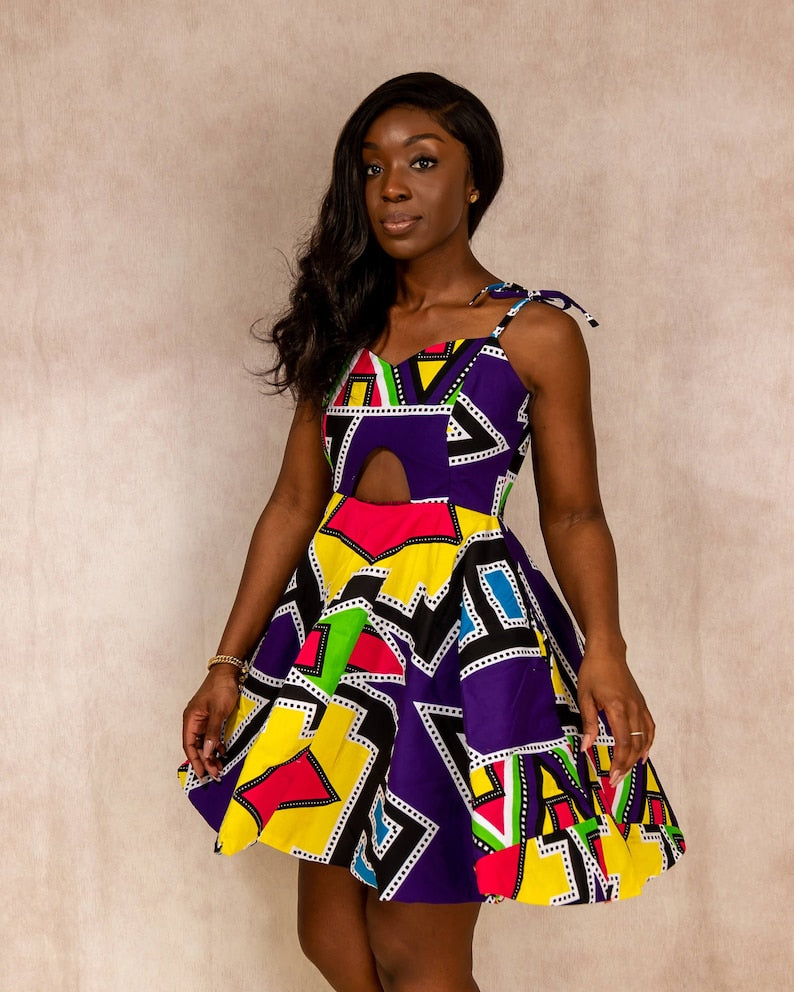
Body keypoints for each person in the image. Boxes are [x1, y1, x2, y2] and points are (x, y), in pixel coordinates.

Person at [179, 72, 684, 992]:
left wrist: (606, 649)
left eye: (421, 161)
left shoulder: (532, 332)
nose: (392, 187)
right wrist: (227, 663)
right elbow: (294, 502)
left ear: (475, 179)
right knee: (330, 936)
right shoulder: (346, 326)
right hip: (340, 639)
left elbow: (574, 513)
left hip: (459, 642)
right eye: (373, 168)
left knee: (416, 949)